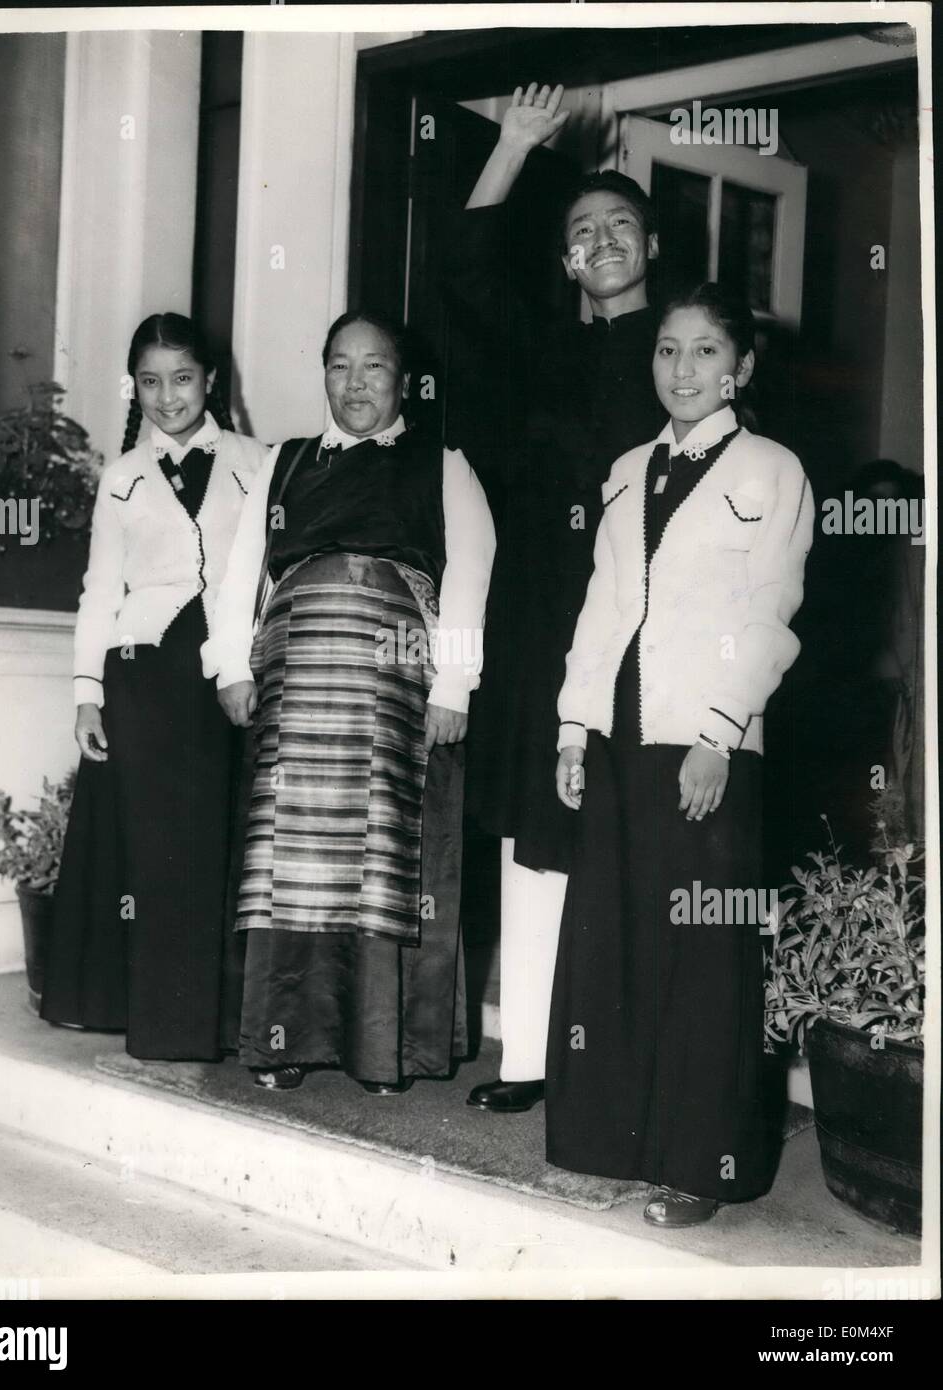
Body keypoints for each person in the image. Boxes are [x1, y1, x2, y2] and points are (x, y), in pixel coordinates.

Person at [549, 282, 814, 1225]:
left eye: (705, 352)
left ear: (739, 368)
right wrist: (574, 728)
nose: (683, 369)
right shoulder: (625, 470)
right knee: (615, 943)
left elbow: (767, 611)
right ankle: (611, 1142)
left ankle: (699, 1168)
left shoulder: (770, 470)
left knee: (699, 956)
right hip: (623, 736)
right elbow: (601, 609)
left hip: (707, 744)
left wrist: (717, 733)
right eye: (667, 350)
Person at [442, 83, 665, 1113]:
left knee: (630, 837)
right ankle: (527, 1057)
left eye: (622, 225)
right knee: (534, 830)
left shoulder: (688, 361)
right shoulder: (544, 350)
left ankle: (622, 1059)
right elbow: (465, 277)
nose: (603, 240)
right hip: (539, 621)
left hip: (645, 629)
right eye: (583, 231)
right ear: (567, 259)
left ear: (650, 249)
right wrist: (514, 149)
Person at [203, 311, 495, 1094]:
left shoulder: (444, 464)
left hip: (395, 689)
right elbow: (240, 573)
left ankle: (379, 1049)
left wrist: (454, 686)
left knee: (381, 861)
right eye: (340, 366)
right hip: (295, 679)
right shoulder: (282, 465)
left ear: (403, 381)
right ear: (323, 373)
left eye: (373, 368)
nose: (355, 383)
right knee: (288, 861)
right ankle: (282, 1041)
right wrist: (230, 666)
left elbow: (469, 578)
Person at [40, 313, 266, 1060]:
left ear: (211, 380)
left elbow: (266, 572)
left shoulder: (255, 462)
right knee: (155, 851)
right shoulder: (121, 478)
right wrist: (86, 692)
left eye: (183, 378)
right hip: (141, 675)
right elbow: (98, 589)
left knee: (216, 846)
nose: (167, 397)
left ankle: (216, 1021)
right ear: (133, 387)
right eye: (150, 381)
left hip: (223, 672)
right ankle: (156, 1022)